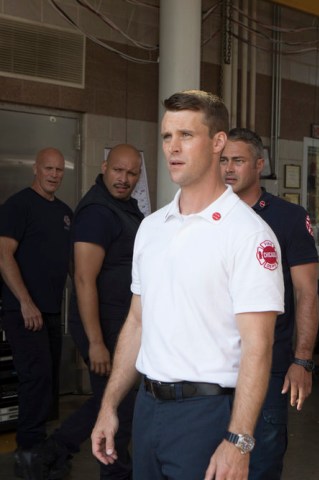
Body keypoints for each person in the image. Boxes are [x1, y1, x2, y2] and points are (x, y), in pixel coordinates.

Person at [91, 90, 284, 480]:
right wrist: (109, 405)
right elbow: (137, 321)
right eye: (166, 137)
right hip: (147, 408)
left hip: (206, 416)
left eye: (186, 135)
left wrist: (239, 440)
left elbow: (258, 347)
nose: (173, 148)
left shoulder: (248, 235)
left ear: (217, 142)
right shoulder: (151, 227)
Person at [220, 127, 319, 479]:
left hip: (268, 364)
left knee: (259, 465)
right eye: (223, 160)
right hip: (211, 367)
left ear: (259, 164)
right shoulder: (207, 217)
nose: (229, 168)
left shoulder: (288, 217)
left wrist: (302, 360)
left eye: (239, 160)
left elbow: (306, 292)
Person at [46, 144, 144, 479]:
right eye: (118, 170)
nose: (124, 179)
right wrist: (96, 342)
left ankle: (55, 449)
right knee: (121, 409)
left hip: (121, 325)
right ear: (104, 167)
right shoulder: (97, 213)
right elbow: (84, 279)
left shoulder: (124, 208)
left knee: (109, 402)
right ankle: (114, 473)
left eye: (132, 173)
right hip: (104, 328)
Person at [0, 148, 72, 480]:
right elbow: (3, 255)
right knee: (36, 378)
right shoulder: (18, 205)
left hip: (52, 311)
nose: (54, 174)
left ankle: (39, 445)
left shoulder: (64, 212)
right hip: (24, 311)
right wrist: (26, 302)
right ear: (36, 168)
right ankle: (27, 452)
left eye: (59, 170)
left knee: (48, 382)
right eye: (49, 168)